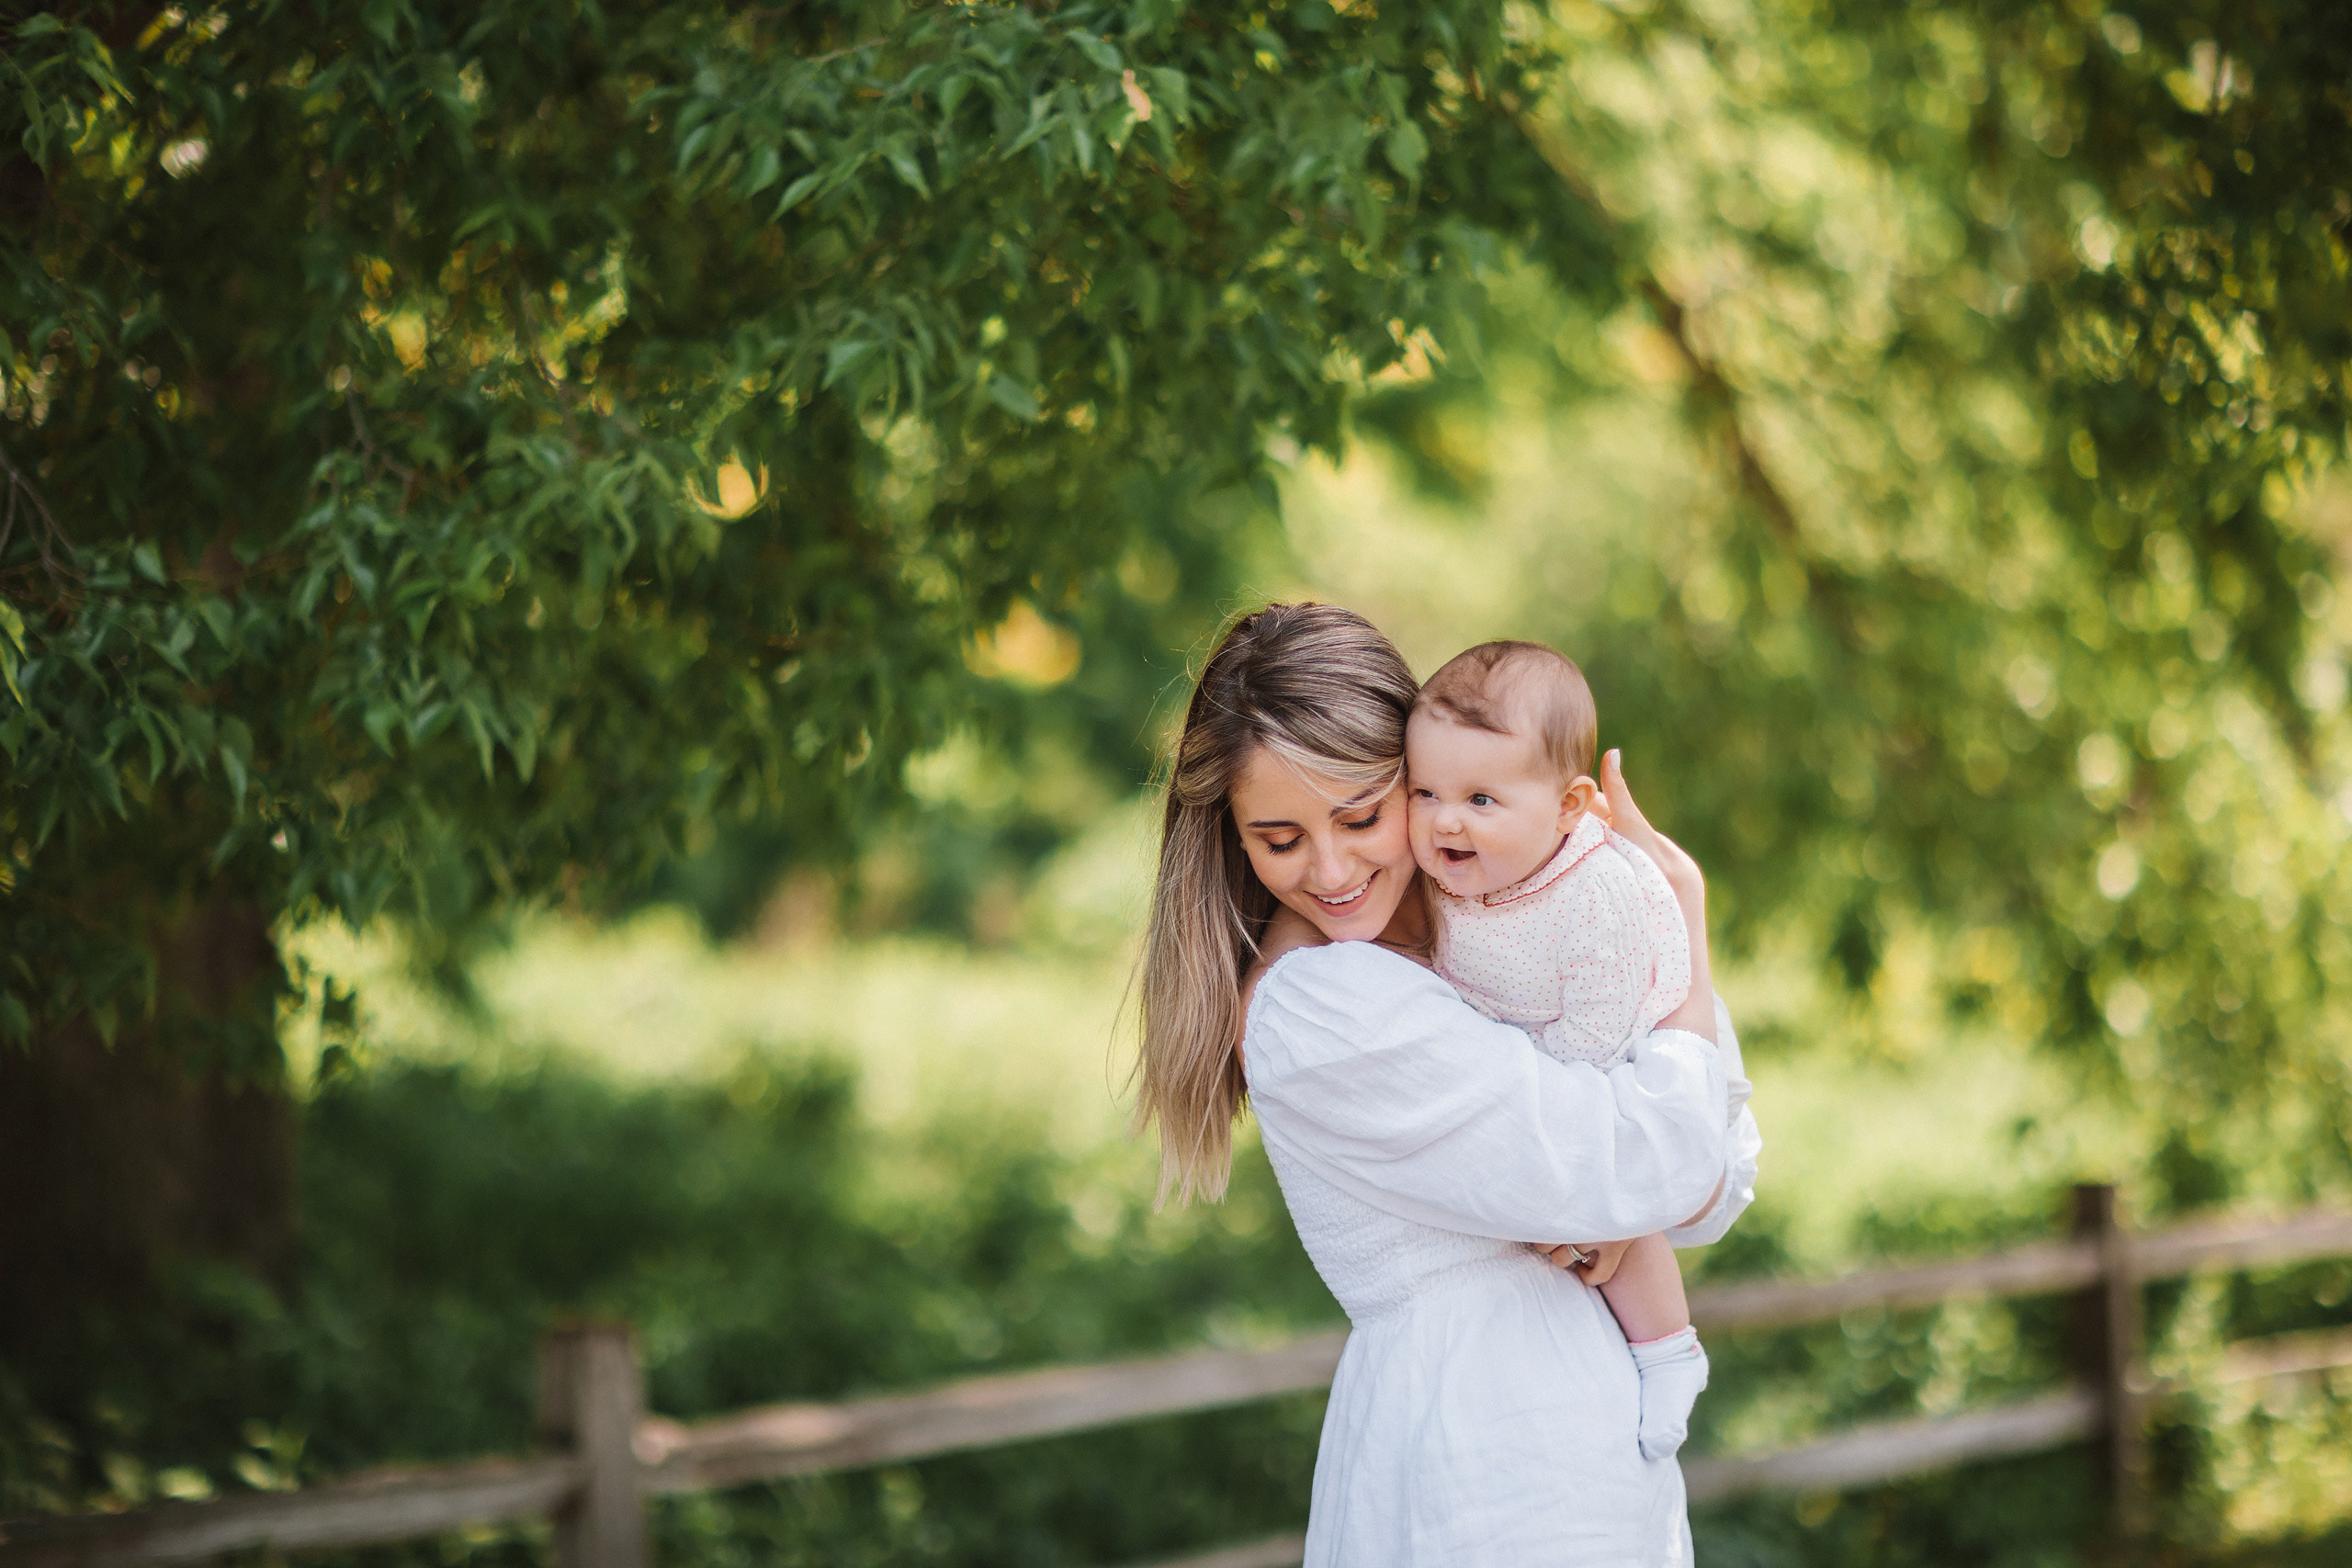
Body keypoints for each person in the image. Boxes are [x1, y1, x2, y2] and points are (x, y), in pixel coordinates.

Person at [1134, 603, 1760, 1567]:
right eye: (1279, 838)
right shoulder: (1322, 1007)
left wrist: (1663, 941)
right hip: (1483, 1462)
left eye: (1359, 814)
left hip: (1583, 1459)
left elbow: (1711, 1191)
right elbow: (1668, 1161)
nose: (1332, 869)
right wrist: (1682, 913)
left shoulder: (1490, 949)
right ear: (1234, 839)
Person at [1406, 639, 1710, 1462]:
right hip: (1524, 1049)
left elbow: (1606, 1013)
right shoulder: (1446, 871)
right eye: (1423, 791)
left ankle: (1669, 1350)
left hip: (1607, 1060)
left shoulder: (1596, 888)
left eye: (1479, 797)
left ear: (1572, 805)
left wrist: (1558, 1100)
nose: (1444, 819)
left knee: (1628, 1226)